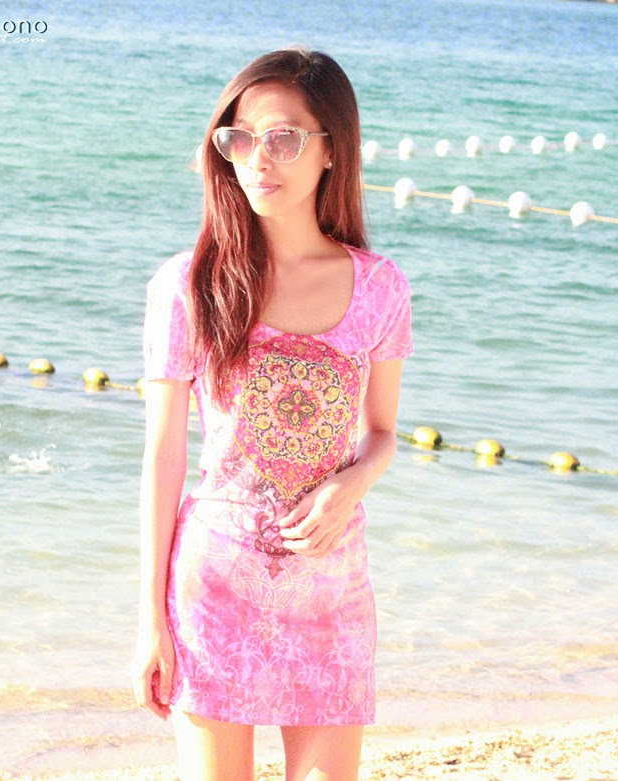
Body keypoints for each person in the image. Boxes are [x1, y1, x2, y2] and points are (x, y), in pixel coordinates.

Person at [131, 46, 413, 781]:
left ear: (332, 149)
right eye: (241, 137)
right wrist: (150, 620)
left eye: (284, 137)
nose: (259, 158)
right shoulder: (188, 286)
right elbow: (163, 456)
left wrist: (350, 483)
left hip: (332, 587)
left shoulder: (380, 288)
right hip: (214, 586)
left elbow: (383, 435)